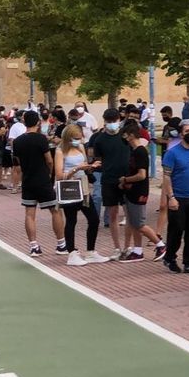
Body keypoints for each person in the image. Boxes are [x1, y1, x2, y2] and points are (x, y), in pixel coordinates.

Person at [56, 125, 111, 266]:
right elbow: (59, 175)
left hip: (83, 187)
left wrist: (90, 167)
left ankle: (90, 251)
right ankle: (72, 253)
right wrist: (76, 169)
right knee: (71, 220)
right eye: (75, 138)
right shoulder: (60, 151)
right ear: (68, 138)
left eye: (79, 138)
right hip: (69, 187)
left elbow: (85, 165)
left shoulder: (80, 147)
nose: (78, 141)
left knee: (93, 219)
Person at [12, 111, 64, 257]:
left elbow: (18, 162)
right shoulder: (41, 139)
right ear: (38, 122)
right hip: (42, 179)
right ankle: (61, 243)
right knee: (55, 210)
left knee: (29, 213)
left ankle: (33, 246)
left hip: (27, 179)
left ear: (24, 123)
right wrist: (49, 173)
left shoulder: (17, 141)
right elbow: (49, 160)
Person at [161, 117, 189, 274]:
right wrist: (171, 197)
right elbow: (166, 177)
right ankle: (170, 257)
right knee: (177, 229)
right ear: (181, 134)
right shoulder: (172, 153)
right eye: (188, 131)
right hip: (178, 198)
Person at [117, 120, 165, 262]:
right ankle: (138, 251)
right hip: (131, 192)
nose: (123, 138)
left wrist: (125, 180)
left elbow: (141, 175)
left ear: (131, 135)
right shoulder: (134, 151)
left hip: (139, 192)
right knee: (133, 222)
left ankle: (160, 245)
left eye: (125, 135)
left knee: (140, 224)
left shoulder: (140, 151)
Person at [88, 110, 131, 257]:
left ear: (119, 119)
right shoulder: (99, 140)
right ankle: (117, 248)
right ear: (105, 121)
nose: (112, 123)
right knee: (113, 214)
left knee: (129, 214)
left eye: (115, 120)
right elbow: (97, 159)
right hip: (108, 180)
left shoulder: (125, 136)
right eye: (109, 120)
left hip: (127, 180)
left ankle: (128, 246)